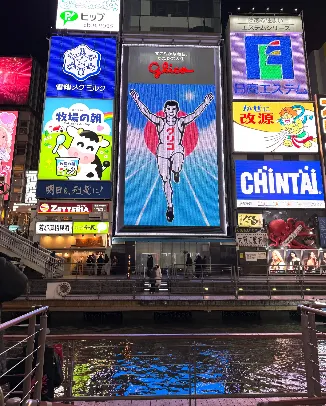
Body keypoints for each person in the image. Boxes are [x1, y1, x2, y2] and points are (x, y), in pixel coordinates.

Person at [130, 89, 214, 222]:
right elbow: (146, 112)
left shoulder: (181, 122)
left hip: (177, 150)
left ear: (177, 111)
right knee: (165, 179)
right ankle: (170, 206)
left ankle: (176, 171)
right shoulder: (160, 121)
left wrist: (205, 103)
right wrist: (137, 100)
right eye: (168, 109)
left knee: (177, 165)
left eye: (173, 109)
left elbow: (194, 115)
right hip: (162, 152)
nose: (171, 112)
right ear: (165, 110)